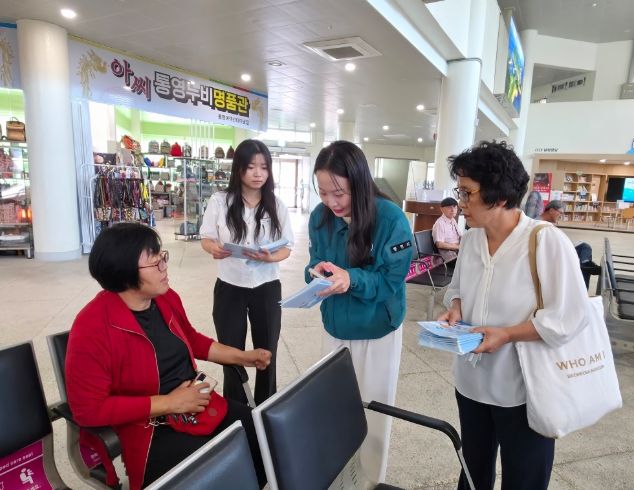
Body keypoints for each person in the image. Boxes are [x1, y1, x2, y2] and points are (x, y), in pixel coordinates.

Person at [65, 223, 270, 489]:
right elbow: (88, 411)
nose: (165, 267)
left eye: (163, 257)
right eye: (155, 263)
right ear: (124, 273)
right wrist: (170, 403)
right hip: (149, 427)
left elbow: (192, 340)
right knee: (219, 468)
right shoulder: (92, 327)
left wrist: (243, 357)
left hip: (194, 406)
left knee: (263, 434)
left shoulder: (165, 298)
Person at [439, 141, 591, 490]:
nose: (461, 203)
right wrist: (456, 307)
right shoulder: (472, 240)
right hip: (472, 382)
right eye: (459, 191)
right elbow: (457, 288)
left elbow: (570, 316)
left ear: (500, 196)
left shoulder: (546, 242)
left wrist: (507, 334)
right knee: (473, 470)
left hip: (524, 388)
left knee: (524, 477)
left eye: (467, 192)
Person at [306, 140, 413, 482]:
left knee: (372, 414)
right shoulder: (320, 218)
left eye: (339, 193)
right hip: (335, 330)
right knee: (333, 412)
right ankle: (338, 480)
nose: (331, 202)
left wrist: (351, 279)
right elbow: (313, 261)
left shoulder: (391, 219)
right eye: (324, 192)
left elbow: (390, 281)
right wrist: (315, 272)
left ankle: (369, 482)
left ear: (360, 182)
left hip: (376, 332)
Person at [200, 139, 294, 405]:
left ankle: (266, 407)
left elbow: (287, 248)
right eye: (251, 167)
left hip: (267, 286)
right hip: (230, 286)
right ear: (239, 168)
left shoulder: (276, 205)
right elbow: (206, 238)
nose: (258, 173)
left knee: (267, 351)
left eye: (264, 167)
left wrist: (270, 257)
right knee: (231, 353)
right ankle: (236, 409)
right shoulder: (220, 201)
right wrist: (213, 248)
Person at [540, 200, 601, 288]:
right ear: (551, 210)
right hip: (556, 252)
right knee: (584, 248)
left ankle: (586, 264)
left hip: (559, 248)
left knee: (584, 247)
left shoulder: (545, 223)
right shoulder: (541, 224)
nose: (561, 216)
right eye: (560, 213)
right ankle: (586, 267)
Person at [431, 196, 462, 263]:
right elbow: (439, 244)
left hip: (457, 250)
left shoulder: (453, 220)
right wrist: (457, 247)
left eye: (455, 207)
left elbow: (459, 236)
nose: (453, 210)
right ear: (442, 209)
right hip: (449, 254)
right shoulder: (440, 223)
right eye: (449, 207)